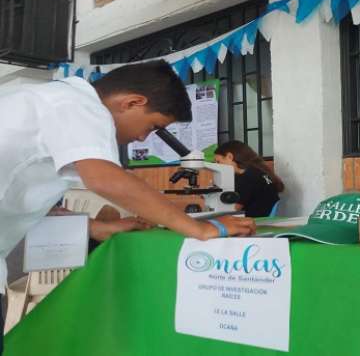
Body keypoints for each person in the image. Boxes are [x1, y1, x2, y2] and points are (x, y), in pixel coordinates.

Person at [0, 60, 256, 350]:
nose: (142, 137)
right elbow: (107, 180)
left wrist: (96, 227)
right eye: (153, 126)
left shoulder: (46, 102)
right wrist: (199, 229)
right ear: (133, 102)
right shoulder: (78, 105)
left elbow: (24, 201)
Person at [214, 141, 284, 217]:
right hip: (263, 218)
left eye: (219, 162)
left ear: (230, 156)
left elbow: (232, 211)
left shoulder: (247, 178)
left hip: (254, 222)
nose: (218, 166)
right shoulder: (258, 171)